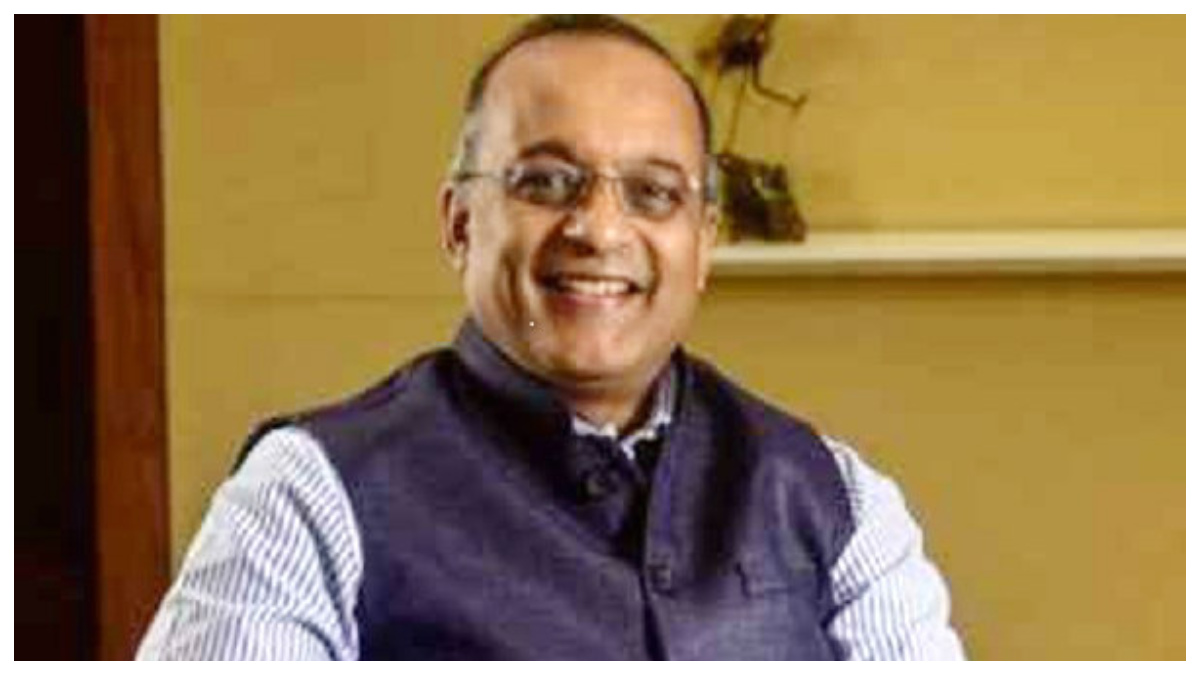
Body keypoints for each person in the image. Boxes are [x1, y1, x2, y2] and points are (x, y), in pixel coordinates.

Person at [138, 15, 965, 660]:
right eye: (546, 182)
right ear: (460, 223)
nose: (598, 229)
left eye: (653, 192)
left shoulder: (838, 499)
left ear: (703, 244)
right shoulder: (308, 498)